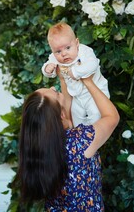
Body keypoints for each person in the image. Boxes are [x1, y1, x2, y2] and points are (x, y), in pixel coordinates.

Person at [14, 74, 119, 211]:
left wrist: (63, 79)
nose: (52, 87)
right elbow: (112, 117)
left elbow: (65, 114)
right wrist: (88, 81)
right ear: (61, 116)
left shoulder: (39, 147)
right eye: (56, 92)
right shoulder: (80, 141)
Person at [42, 22, 110, 126]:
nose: (64, 54)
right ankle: (79, 134)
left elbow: (93, 64)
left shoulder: (85, 51)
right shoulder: (54, 58)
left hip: (95, 92)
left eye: (68, 48)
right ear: (52, 51)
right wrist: (47, 69)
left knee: (96, 113)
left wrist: (75, 72)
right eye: (58, 51)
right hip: (76, 95)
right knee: (75, 116)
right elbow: (49, 67)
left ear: (77, 43)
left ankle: (92, 134)